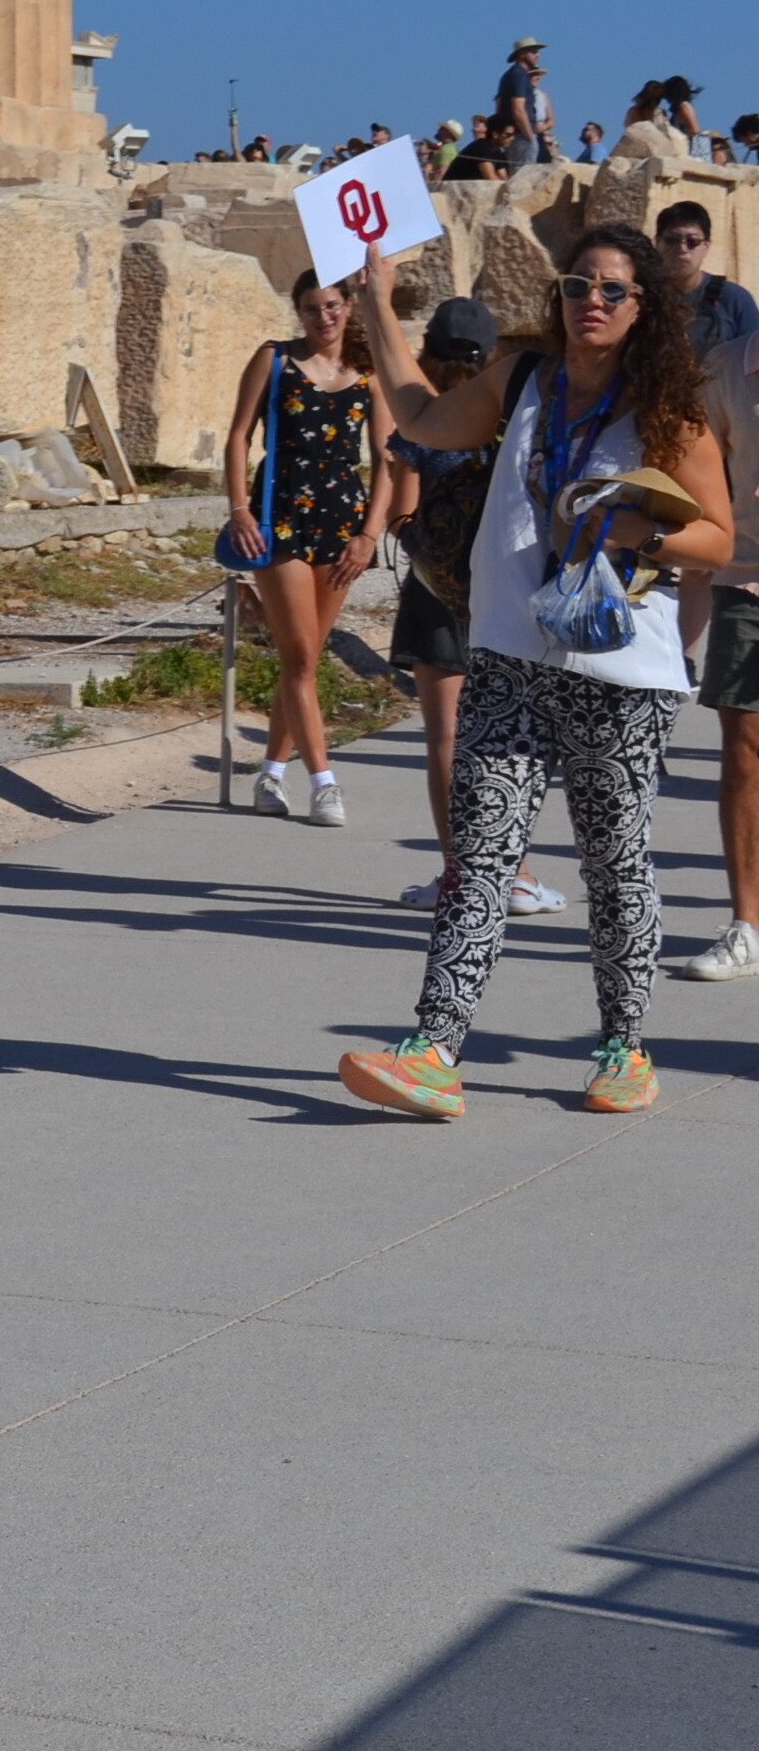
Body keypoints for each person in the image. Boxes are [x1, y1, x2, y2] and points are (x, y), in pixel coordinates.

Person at [340, 228, 735, 1118]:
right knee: (479, 856)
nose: (591, 300)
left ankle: (624, 1049)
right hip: (510, 654)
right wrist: (377, 305)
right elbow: (419, 417)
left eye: (613, 290)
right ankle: (434, 1051)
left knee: (614, 864)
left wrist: (643, 533)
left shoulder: (665, 408)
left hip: (622, 671)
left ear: (643, 309)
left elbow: (716, 536)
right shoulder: (522, 380)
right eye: (577, 285)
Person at [383, 296, 561, 918]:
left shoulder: (427, 423)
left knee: (445, 737)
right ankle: (519, 873)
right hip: (505, 585)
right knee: (513, 736)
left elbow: (400, 516)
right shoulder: (504, 415)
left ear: (427, 348)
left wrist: (436, 550)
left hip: (435, 592)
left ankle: (458, 873)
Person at [224, 270, 394, 825]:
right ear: (298, 312)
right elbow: (238, 436)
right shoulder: (274, 359)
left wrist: (370, 535)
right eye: (312, 308)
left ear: (349, 306)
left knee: (308, 658)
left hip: (342, 524)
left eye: (333, 305)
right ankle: (325, 783)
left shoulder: (368, 373)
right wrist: (239, 509)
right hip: (281, 518)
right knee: (298, 656)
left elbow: (386, 459)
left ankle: (270, 774)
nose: (324, 317)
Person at [679, 312, 759, 982]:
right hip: (748, 578)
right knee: (743, 750)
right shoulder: (728, 366)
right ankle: (747, 925)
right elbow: (695, 475)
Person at [653, 198, 759, 349]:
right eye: (672, 240)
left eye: (692, 241)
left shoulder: (735, 300)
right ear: (658, 243)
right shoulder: (643, 297)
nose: (682, 249)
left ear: (706, 246)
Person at [497, 37, 555, 162]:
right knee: (523, 170)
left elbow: (499, 106)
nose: (538, 55)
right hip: (520, 135)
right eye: (534, 52)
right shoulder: (519, 75)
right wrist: (530, 136)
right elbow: (518, 109)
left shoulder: (511, 74)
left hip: (513, 133)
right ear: (522, 54)